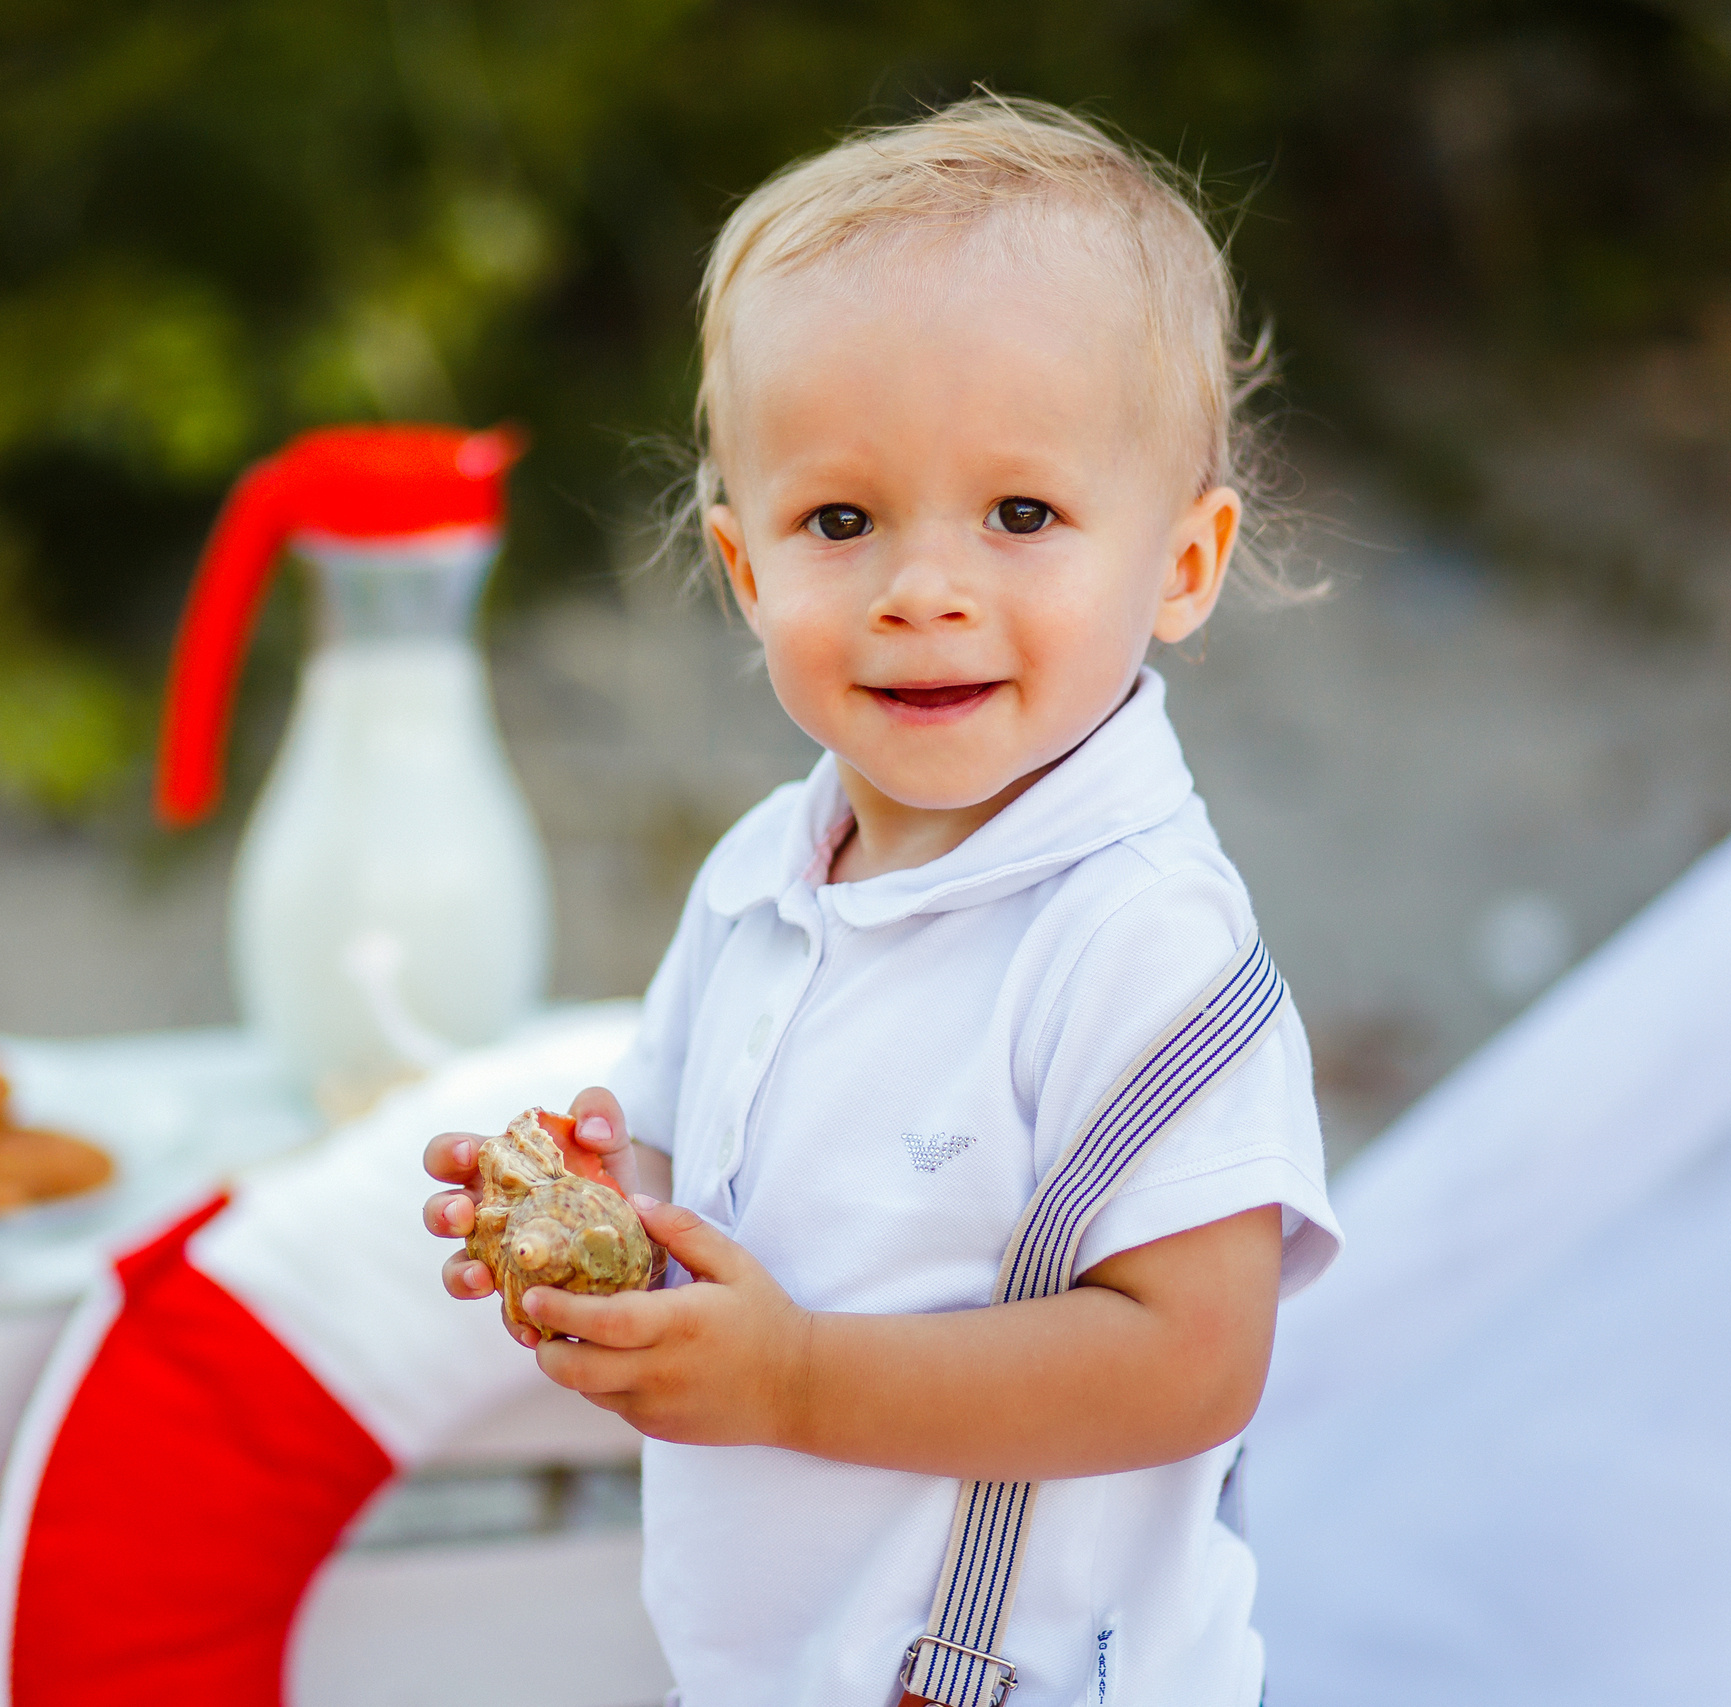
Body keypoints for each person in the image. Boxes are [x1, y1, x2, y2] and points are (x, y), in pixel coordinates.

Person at [422, 94, 1341, 1707]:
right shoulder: (762, 876)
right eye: (841, 521)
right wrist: (592, 1214)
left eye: (1022, 514)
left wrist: (797, 1381)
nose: (926, 588)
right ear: (745, 567)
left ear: (1184, 564)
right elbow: (681, 1152)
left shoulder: (1136, 937)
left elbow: (1197, 1358)